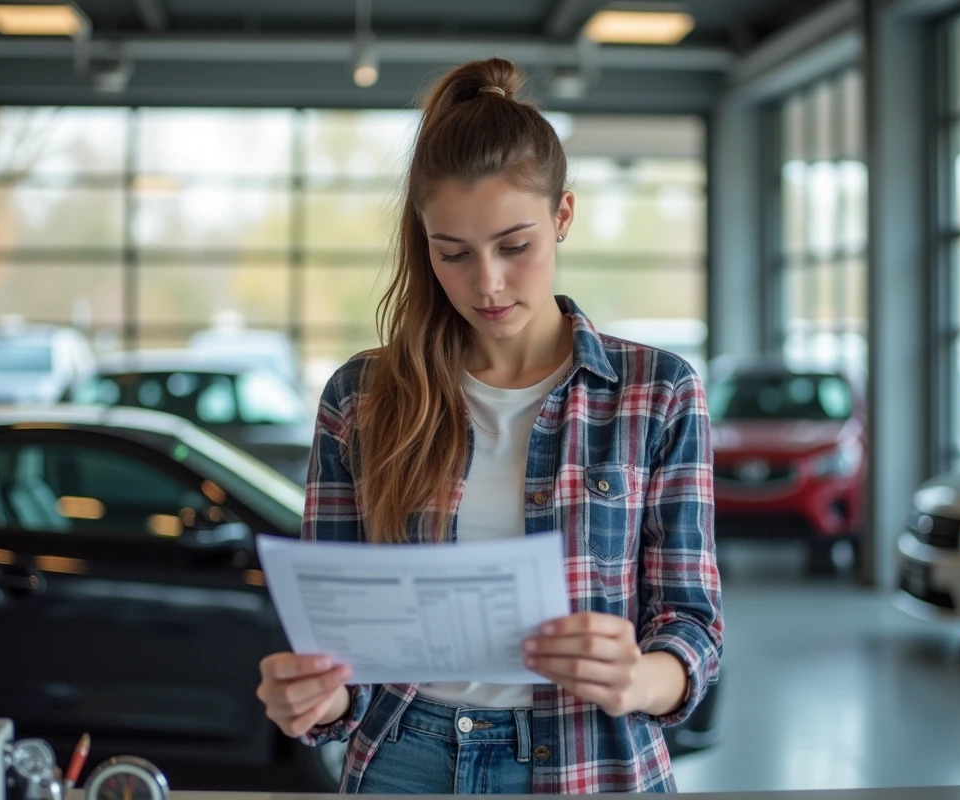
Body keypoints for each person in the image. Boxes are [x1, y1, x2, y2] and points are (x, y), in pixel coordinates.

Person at [255, 57, 723, 794]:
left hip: (591, 763)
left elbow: (691, 623)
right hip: (406, 760)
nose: (488, 283)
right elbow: (342, 650)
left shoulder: (656, 392)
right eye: (454, 254)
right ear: (425, 241)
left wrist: (640, 678)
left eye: (515, 245)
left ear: (563, 215)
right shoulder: (362, 397)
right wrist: (318, 694)